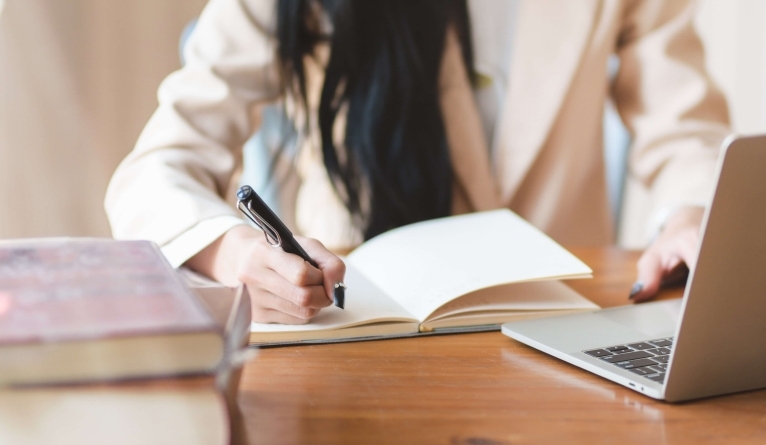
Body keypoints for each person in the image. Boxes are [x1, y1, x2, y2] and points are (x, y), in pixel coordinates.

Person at [105, 0, 730, 324]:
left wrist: (689, 216)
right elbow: (159, 167)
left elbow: (683, 128)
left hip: (562, 325)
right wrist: (238, 255)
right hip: (359, 331)